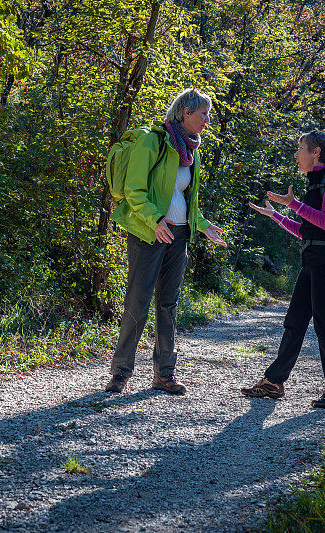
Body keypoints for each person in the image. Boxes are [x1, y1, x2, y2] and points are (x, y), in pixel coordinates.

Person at [105, 88, 227, 395]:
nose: (207, 121)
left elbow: (188, 199)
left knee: (168, 305)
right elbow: (134, 190)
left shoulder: (193, 151)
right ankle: (120, 373)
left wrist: (202, 225)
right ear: (185, 112)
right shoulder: (153, 141)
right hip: (149, 232)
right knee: (138, 301)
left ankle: (164, 374)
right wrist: (155, 220)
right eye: (203, 114)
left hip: (180, 234)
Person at [242, 129, 325, 408]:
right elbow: (309, 232)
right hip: (314, 258)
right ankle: (274, 382)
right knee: (295, 321)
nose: (296, 154)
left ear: (316, 152)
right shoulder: (315, 184)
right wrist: (279, 216)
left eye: (300, 148)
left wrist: (293, 204)